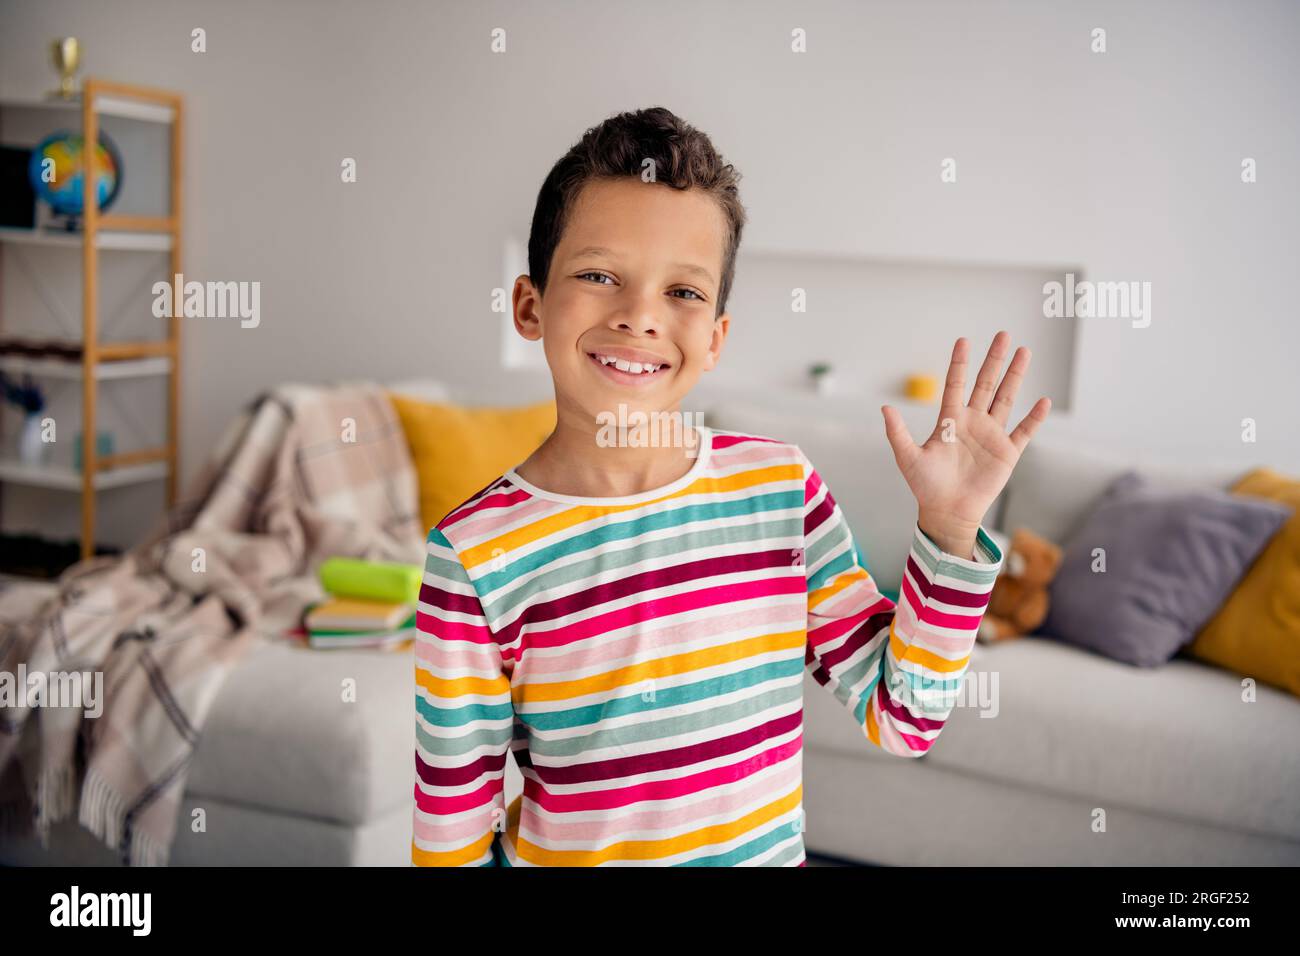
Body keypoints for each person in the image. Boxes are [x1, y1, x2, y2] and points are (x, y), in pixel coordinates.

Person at [412, 106, 1050, 866]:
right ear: (529, 304)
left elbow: (904, 718)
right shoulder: (473, 553)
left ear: (715, 336)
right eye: (598, 275)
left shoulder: (781, 491)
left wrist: (949, 530)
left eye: (683, 292)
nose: (640, 316)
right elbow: (452, 839)